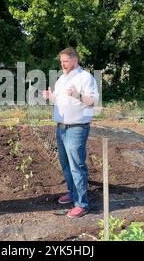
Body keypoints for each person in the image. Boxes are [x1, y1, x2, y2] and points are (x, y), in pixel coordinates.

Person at [43, 47, 99, 218]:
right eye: (61, 62)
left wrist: (77, 95)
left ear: (75, 60)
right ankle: (72, 192)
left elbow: (93, 101)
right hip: (61, 127)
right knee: (66, 164)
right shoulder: (62, 79)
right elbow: (59, 100)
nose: (63, 64)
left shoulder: (85, 77)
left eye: (65, 61)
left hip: (76, 128)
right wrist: (50, 97)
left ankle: (82, 204)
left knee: (77, 166)